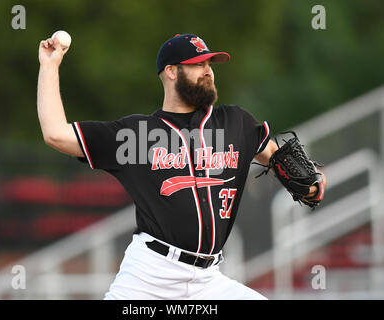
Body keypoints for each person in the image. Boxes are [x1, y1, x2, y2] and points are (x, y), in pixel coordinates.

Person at [37, 33, 326, 299]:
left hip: (208, 281)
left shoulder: (235, 122)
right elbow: (55, 134)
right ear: (171, 71)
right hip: (149, 276)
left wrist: (306, 180)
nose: (208, 70)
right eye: (197, 64)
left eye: (210, 62)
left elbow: (272, 154)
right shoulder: (135, 135)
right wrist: (50, 66)